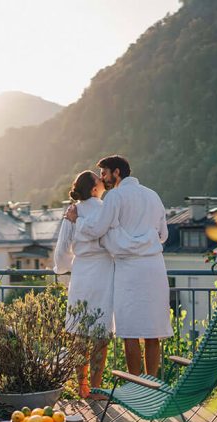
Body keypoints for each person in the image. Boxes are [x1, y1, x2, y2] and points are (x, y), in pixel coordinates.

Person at [65, 155, 172, 377]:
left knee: (130, 332)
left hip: (129, 270)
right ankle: (150, 385)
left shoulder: (115, 197)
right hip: (154, 268)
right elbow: (163, 235)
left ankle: (135, 385)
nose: (103, 179)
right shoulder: (153, 195)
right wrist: (145, 239)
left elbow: (97, 230)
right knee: (153, 332)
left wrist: (78, 220)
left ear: (116, 172)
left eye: (104, 173)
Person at [54, 170, 114, 399]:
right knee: (101, 333)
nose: (103, 182)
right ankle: (96, 388)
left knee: (80, 333)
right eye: (100, 181)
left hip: (80, 274)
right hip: (103, 272)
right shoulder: (104, 209)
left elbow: (62, 248)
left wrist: (65, 267)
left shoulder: (73, 211)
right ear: (94, 189)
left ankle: (82, 387)